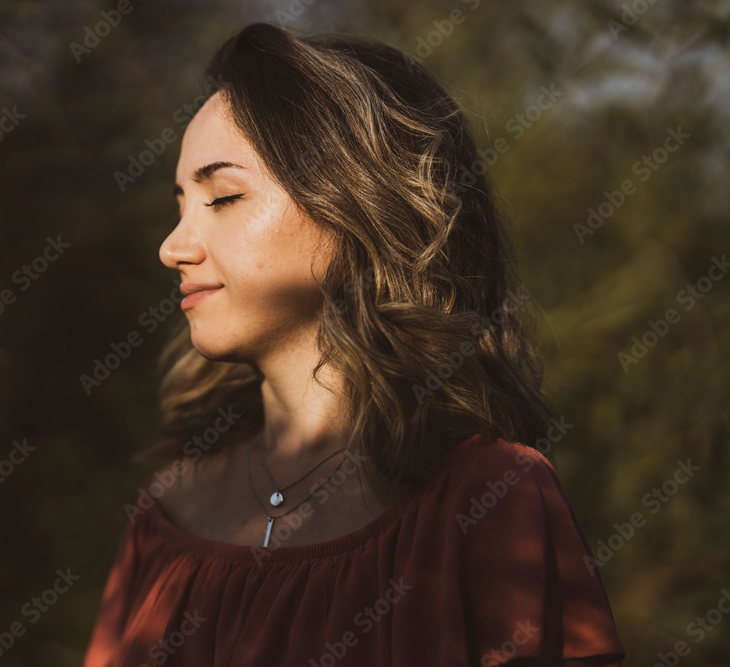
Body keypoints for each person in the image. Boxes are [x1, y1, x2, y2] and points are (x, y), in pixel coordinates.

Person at [83, 21, 626, 667]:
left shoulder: (490, 498)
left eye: (224, 196)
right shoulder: (165, 515)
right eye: (181, 204)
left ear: (358, 205)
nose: (173, 247)